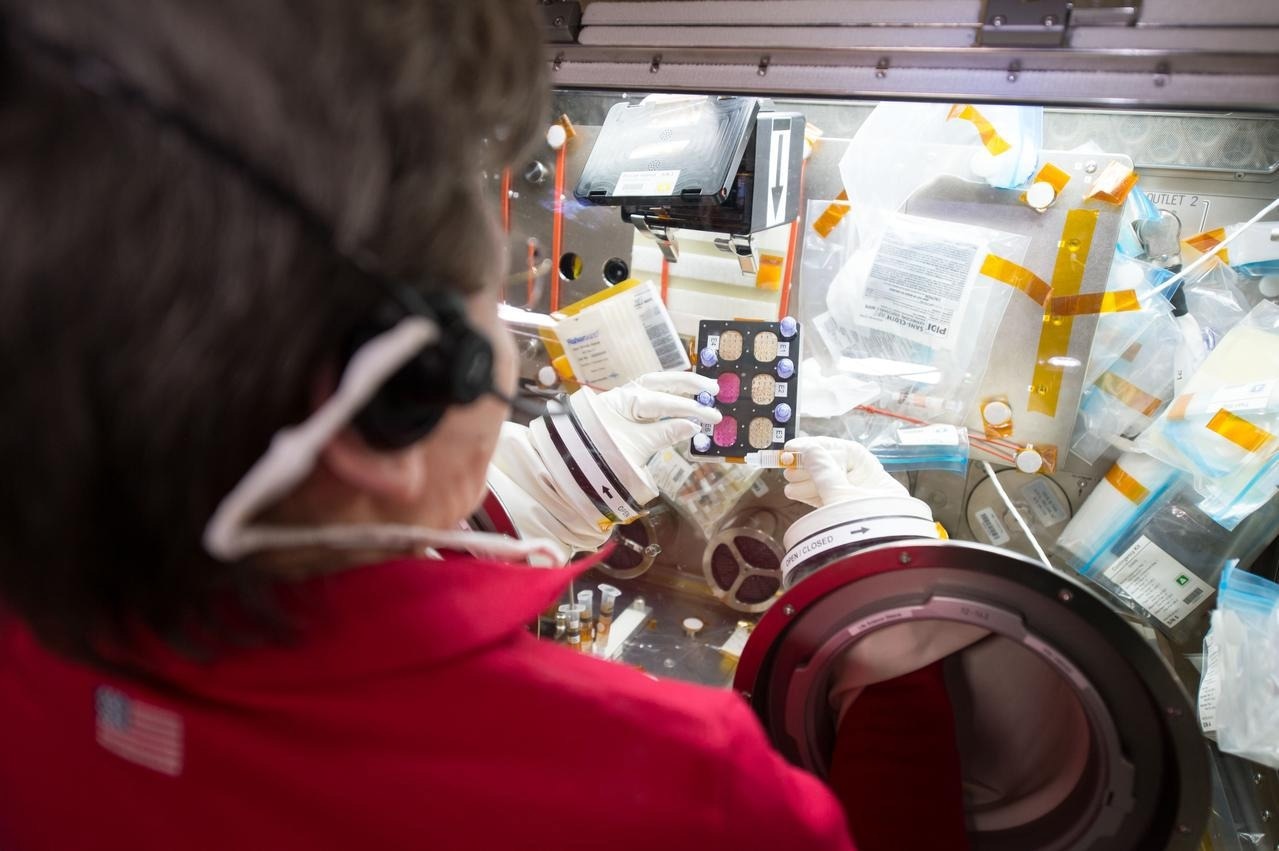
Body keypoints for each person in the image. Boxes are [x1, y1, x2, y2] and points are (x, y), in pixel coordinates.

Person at [0, 2, 856, 850]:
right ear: (400, 385)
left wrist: (537, 484)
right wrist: (896, 624)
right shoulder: (688, 791)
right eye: (489, 295)